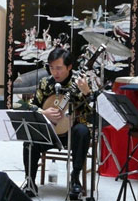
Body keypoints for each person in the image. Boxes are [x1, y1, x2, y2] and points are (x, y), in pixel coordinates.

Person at [23, 47, 92, 197]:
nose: (55, 72)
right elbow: (32, 105)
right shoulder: (45, 83)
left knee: (83, 131)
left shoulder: (80, 83)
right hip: (49, 132)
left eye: (59, 68)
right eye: (52, 68)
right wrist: (44, 112)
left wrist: (87, 92)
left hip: (71, 133)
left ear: (69, 67)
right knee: (29, 139)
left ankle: (75, 179)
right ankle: (30, 182)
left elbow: (91, 112)